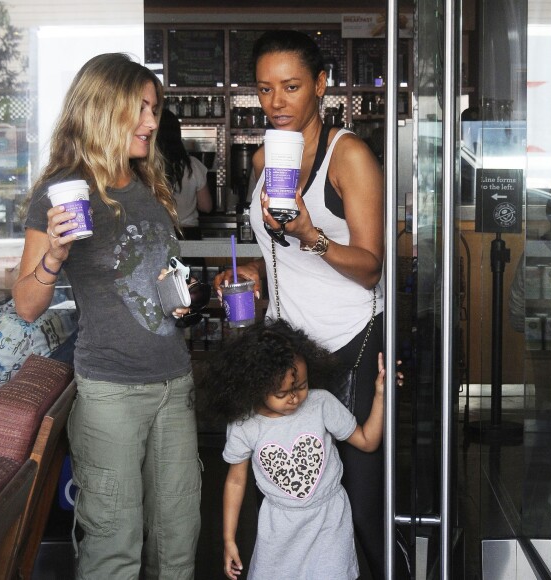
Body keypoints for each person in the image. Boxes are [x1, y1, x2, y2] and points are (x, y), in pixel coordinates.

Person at [12, 53, 201, 579]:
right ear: (100, 110)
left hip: (175, 384)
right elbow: (27, 305)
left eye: (154, 108)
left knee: (179, 545)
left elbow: (156, 282)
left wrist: (183, 299)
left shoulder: (149, 188)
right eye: (137, 108)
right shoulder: (64, 191)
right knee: (114, 547)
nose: (149, 121)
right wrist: (53, 254)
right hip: (111, 393)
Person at [214, 30, 387, 578]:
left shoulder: (348, 155)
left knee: (356, 496)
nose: (277, 103)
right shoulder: (267, 156)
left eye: (291, 87)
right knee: (294, 489)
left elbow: (371, 267)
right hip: (289, 354)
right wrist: (251, 274)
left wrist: (313, 235)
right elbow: (275, 253)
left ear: (321, 85)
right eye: (264, 89)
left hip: (346, 342)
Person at [201, 319, 389, 580]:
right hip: (279, 529)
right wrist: (228, 539)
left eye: (301, 386)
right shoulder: (245, 426)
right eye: (282, 392)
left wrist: (381, 395)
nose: (295, 397)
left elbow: (368, 441)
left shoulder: (321, 403)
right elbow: (235, 481)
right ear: (255, 386)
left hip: (329, 521)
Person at [156, 107, 212, 232]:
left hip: (159, 233)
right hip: (189, 232)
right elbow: (206, 206)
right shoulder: (193, 165)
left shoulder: (146, 167)